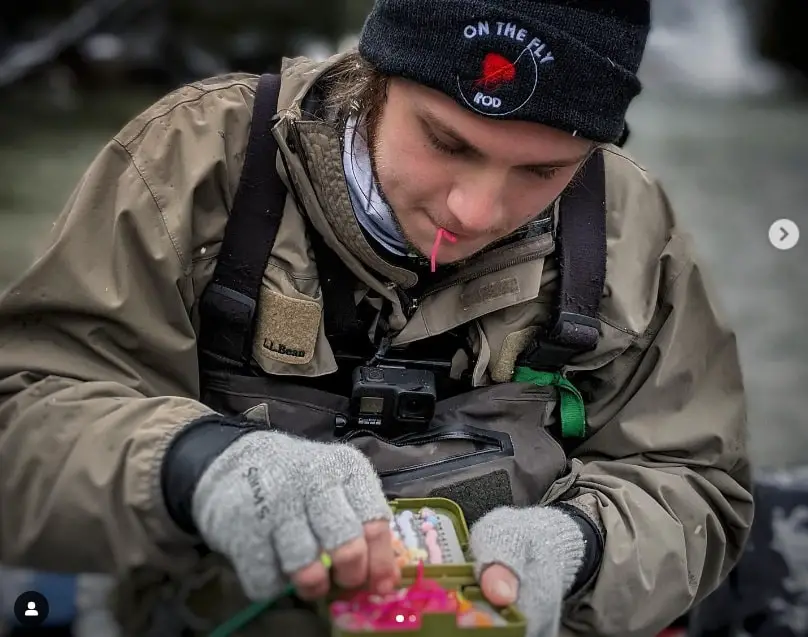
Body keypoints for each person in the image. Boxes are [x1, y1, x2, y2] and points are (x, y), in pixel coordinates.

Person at [0, 1, 754, 636]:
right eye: (446, 141)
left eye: (542, 171)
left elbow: (695, 480)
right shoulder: (190, 163)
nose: (475, 210)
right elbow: (28, 414)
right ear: (375, 78)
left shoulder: (635, 227)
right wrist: (193, 464)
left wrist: (583, 545)